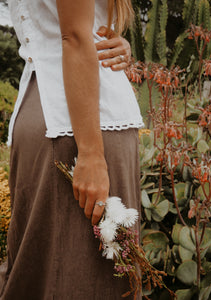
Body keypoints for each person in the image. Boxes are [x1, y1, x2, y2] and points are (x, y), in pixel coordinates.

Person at [0, 0, 143, 299]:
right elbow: (75, 37)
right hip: (80, 127)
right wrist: (91, 153)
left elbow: (78, 30)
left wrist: (110, 40)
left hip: (56, 115)